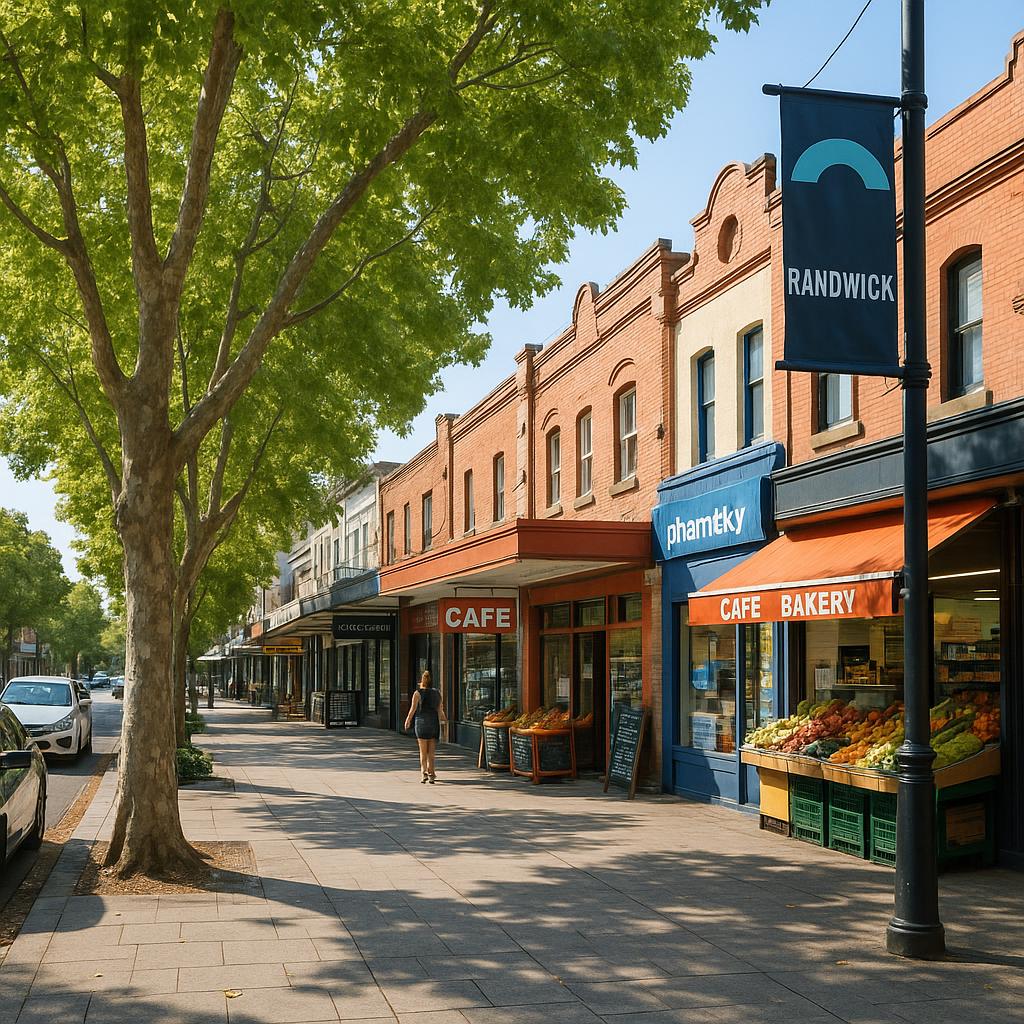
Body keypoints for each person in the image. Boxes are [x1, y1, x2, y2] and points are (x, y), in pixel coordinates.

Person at [404, 670, 446, 783]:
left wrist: (408, 721)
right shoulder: (437, 693)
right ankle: (432, 774)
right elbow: (440, 710)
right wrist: (444, 721)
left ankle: (424, 774)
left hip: (421, 723)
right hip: (433, 723)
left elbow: (412, 710)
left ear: (422, 681)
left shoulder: (417, 693)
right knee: (431, 753)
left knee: (423, 752)